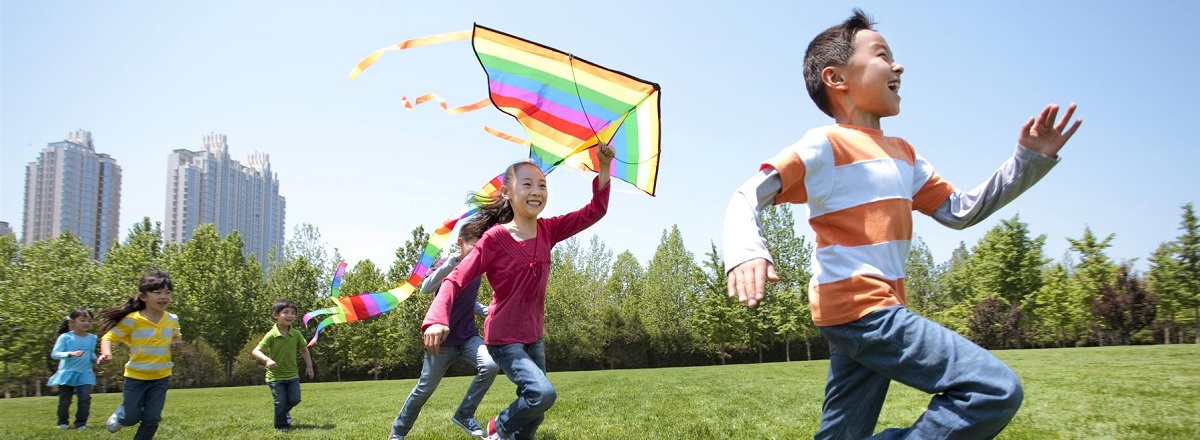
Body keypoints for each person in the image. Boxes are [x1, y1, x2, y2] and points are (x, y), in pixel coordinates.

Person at [721, 9, 1081, 439]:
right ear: (837, 79)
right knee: (991, 390)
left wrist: (1028, 162)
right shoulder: (825, 144)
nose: (898, 66)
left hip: (865, 311)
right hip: (863, 307)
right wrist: (746, 253)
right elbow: (747, 194)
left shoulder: (905, 154)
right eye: (882, 55)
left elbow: (961, 210)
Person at [422, 143, 616, 440]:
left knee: (533, 413)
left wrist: (603, 167)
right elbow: (455, 279)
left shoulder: (548, 230)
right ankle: (496, 426)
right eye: (527, 184)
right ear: (507, 193)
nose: (537, 191)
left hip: (533, 335)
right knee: (542, 394)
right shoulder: (494, 239)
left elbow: (595, 211)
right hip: (503, 338)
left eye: (542, 185)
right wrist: (436, 317)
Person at [389, 217, 498, 440]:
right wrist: (451, 263)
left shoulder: (477, 270)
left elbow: (467, 302)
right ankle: (397, 433)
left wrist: (488, 310)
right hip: (441, 342)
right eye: (476, 246)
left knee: (490, 365)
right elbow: (426, 288)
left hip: (467, 337)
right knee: (424, 390)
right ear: (460, 243)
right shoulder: (446, 263)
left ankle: (464, 414)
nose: (481, 252)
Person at [96, 269, 184, 440]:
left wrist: (176, 343)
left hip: (161, 376)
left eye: (167, 292)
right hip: (136, 377)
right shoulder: (132, 319)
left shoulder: (172, 319)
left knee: (152, 418)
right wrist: (106, 353)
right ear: (143, 297)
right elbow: (108, 337)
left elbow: (175, 337)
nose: (163, 296)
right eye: (157, 292)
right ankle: (120, 414)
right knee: (131, 418)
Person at [251, 299, 315, 432]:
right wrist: (267, 360)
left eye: (293, 313)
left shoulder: (296, 334)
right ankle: (282, 425)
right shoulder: (271, 335)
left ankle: (283, 412)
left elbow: (304, 349)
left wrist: (309, 366)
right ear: (275, 315)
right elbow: (256, 351)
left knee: (295, 399)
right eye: (285, 312)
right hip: (275, 376)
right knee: (279, 402)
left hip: (292, 374)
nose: (290, 315)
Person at [48, 309, 97, 429]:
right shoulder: (65, 337)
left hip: (85, 373)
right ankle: (62, 422)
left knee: (85, 398)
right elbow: (55, 354)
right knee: (65, 400)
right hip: (67, 373)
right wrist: (70, 353)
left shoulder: (92, 337)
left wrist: (96, 359)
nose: (87, 323)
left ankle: (81, 423)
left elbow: (90, 353)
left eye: (89, 321)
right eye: (83, 320)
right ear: (72, 322)